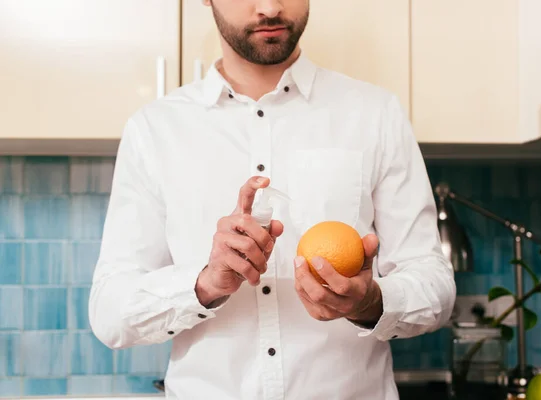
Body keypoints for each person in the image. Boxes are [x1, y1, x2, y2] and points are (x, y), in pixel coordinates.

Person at [88, 0, 457, 399]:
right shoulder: (154, 130)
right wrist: (203, 284)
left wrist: (371, 302)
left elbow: (435, 284)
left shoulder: (375, 114)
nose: (269, 7)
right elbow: (110, 313)